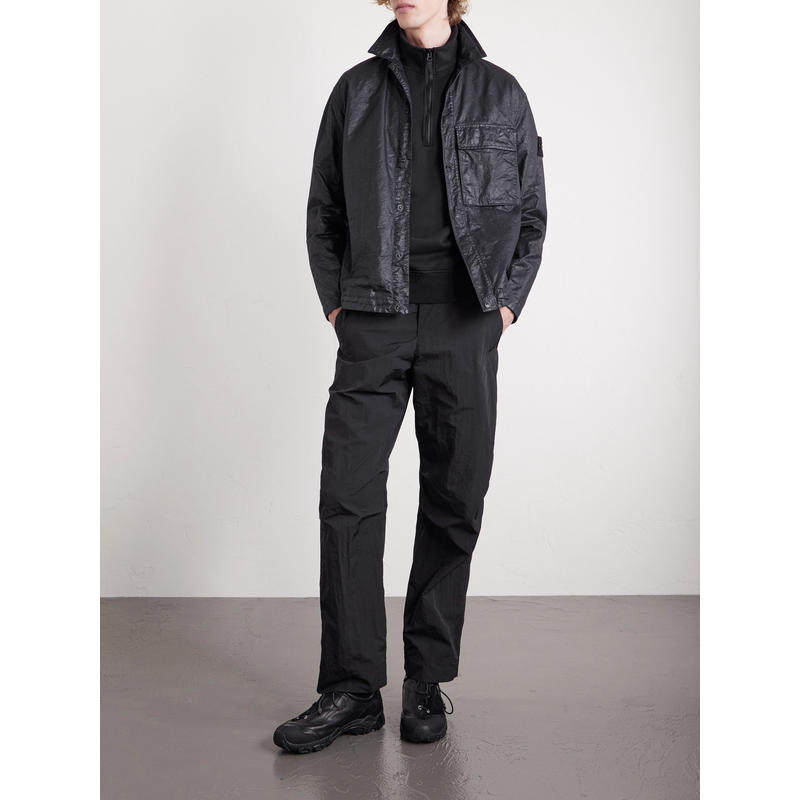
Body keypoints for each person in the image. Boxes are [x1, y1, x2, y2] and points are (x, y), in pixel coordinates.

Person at [273, 0, 546, 754]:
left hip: (464, 319)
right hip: (373, 316)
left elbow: (530, 213)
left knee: (455, 497)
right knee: (348, 496)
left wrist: (504, 307)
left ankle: (427, 676)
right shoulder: (356, 90)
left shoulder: (501, 93)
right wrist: (338, 305)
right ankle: (352, 687)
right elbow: (324, 209)